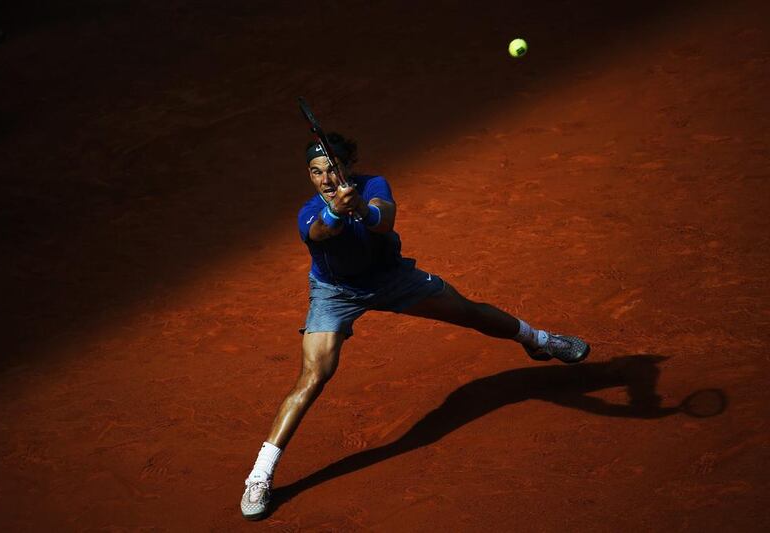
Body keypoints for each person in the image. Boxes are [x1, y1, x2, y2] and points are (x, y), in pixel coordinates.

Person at [240, 133, 590, 520]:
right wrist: (338, 211)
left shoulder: (373, 185)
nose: (324, 179)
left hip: (391, 279)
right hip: (335, 293)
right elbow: (322, 232)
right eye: (315, 172)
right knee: (313, 376)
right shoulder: (309, 212)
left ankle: (540, 341)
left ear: (348, 167)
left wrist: (362, 209)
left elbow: (384, 219)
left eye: (332, 170)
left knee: (468, 312)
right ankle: (260, 475)